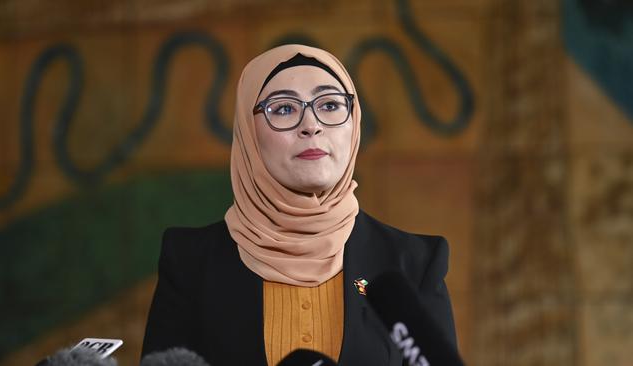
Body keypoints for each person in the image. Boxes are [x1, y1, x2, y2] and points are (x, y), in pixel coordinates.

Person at [141, 44, 457, 366]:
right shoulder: (191, 261)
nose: (311, 125)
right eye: (283, 109)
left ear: (354, 123)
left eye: (331, 104)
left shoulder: (414, 263)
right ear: (249, 134)